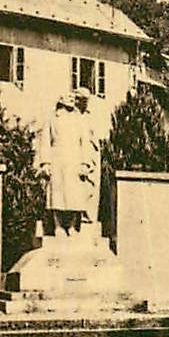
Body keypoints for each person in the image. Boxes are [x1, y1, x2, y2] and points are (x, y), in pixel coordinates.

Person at [44, 89, 100, 234]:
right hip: (58, 159)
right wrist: (46, 163)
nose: (70, 99)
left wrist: (85, 163)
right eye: (67, 97)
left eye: (72, 97)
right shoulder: (52, 119)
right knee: (57, 194)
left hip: (75, 159)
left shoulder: (78, 119)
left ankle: (73, 226)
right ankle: (58, 226)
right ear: (61, 100)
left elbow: (85, 143)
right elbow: (45, 142)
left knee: (76, 194)